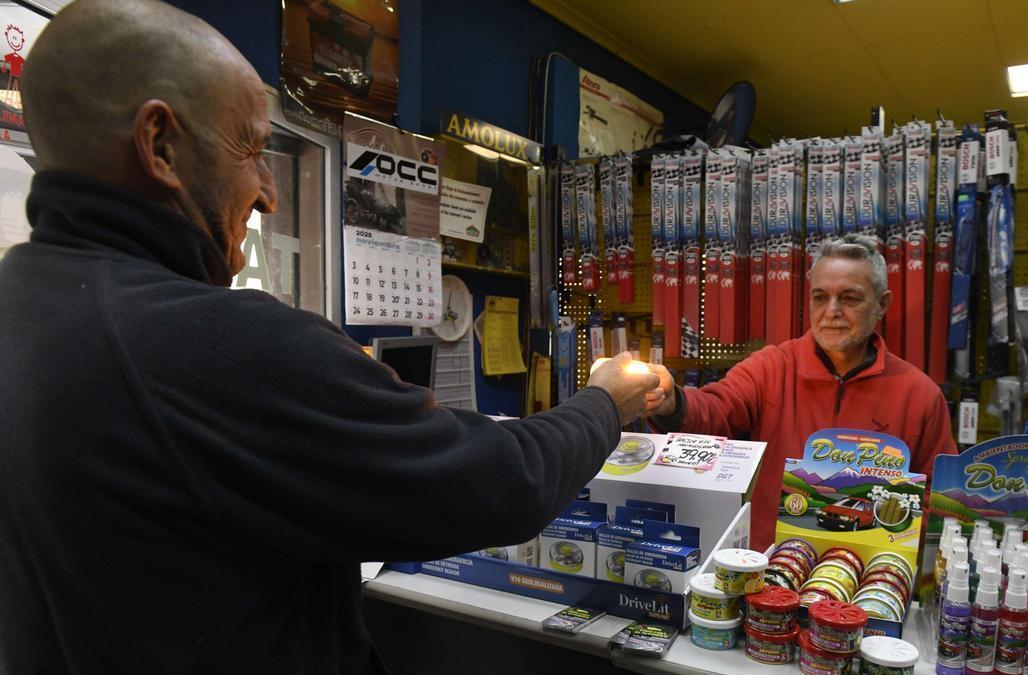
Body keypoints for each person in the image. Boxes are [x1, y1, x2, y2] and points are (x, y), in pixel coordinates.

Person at [0, 1, 664, 672]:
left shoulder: (22, 304)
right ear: (161, 145)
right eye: (251, 151)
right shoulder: (209, 344)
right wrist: (606, 400)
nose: (269, 194)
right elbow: (503, 482)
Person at [649, 233, 957, 551]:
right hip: (771, 581)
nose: (832, 310)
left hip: (869, 585)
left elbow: (941, 500)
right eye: (820, 297)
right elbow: (717, 407)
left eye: (850, 298)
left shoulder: (920, 395)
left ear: (882, 304)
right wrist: (673, 403)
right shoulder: (771, 368)